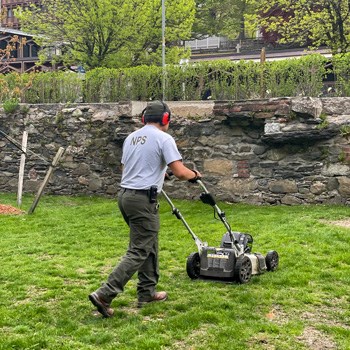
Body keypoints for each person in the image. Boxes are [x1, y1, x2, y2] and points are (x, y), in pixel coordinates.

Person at [89, 100, 202, 317]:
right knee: (139, 249)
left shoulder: (131, 138)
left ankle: (146, 292)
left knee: (148, 243)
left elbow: (130, 169)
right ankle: (104, 294)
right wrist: (194, 175)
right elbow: (180, 172)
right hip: (142, 200)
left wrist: (160, 175)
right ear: (165, 118)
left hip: (125, 197)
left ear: (144, 118)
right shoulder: (164, 138)